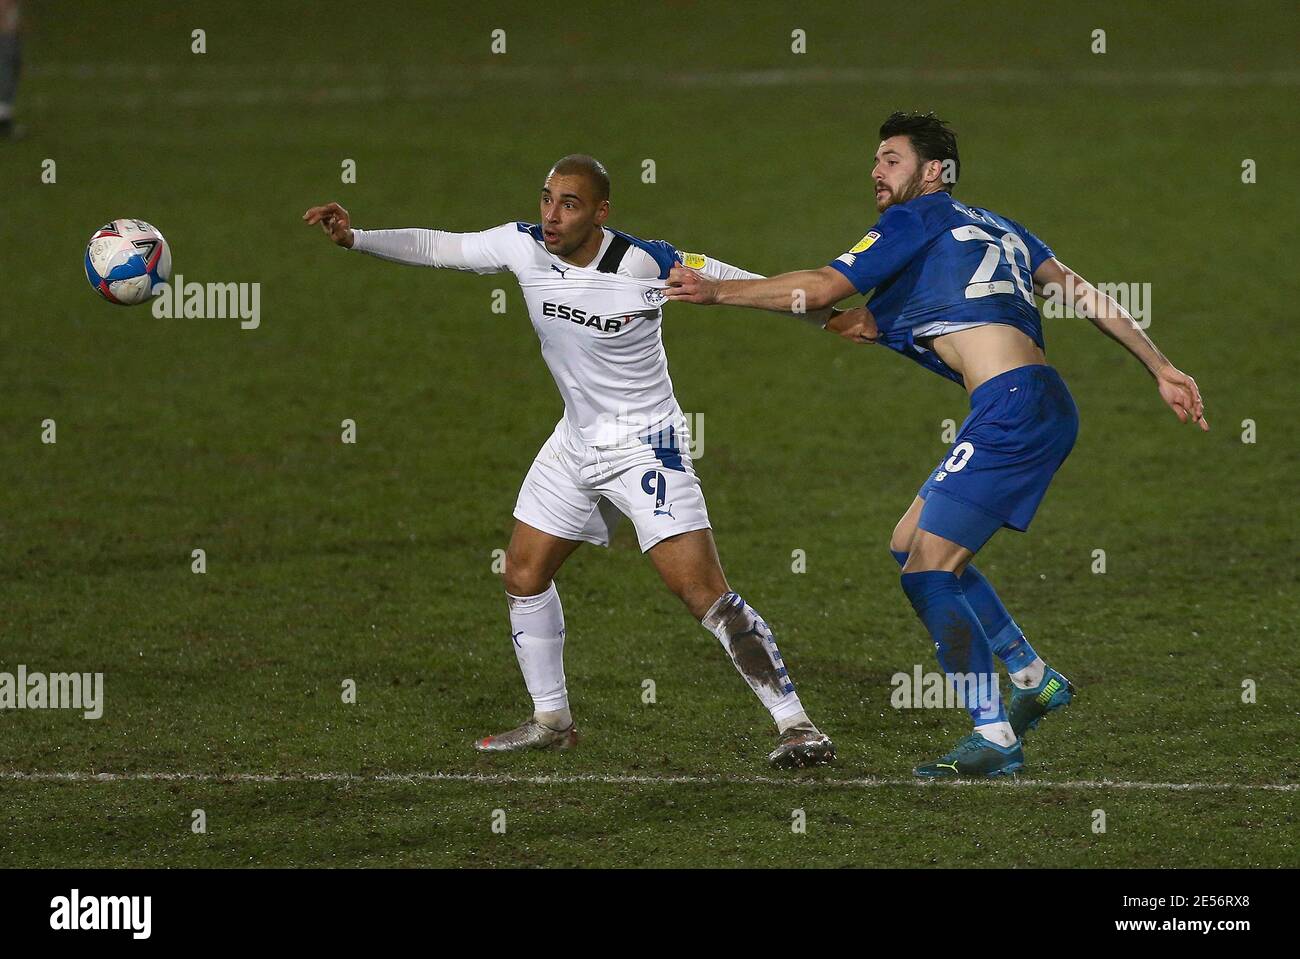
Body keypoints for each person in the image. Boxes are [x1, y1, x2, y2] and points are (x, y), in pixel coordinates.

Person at [664, 113, 1207, 777]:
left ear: (932, 172)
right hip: (1034, 403)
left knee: (927, 570)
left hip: (1013, 410)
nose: (875, 171)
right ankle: (1032, 676)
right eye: (875, 159)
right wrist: (1162, 366)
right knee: (908, 541)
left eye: (890, 159)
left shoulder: (912, 223)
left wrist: (719, 290)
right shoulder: (996, 231)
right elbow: (1083, 295)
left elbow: (827, 287)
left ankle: (995, 736)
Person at [303, 155, 851, 768]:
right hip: (575, 442)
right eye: (546, 198)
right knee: (523, 573)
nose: (551, 214)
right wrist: (356, 238)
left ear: (601, 212)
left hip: (647, 444)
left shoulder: (645, 263)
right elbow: (439, 246)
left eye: (569, 203)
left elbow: (749, 283)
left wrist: (835, 318)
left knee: (702, 592)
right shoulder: (523, 246)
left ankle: (798, 726)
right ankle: (552, 721)